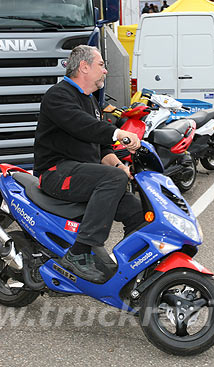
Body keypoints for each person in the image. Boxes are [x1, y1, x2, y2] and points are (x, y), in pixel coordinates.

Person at [33, 45, 144, 284]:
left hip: (85, 175)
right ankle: (79, 252)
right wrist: (119, 134)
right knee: (112, 179)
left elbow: (101, 147)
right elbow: (82, 125)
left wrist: (118, 166)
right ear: (84, 67)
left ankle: (131, 269)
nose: (105, 70)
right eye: (101, 65)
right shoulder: (58, 95)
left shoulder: (91, 101)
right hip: (56, 172)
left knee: (137, 211)